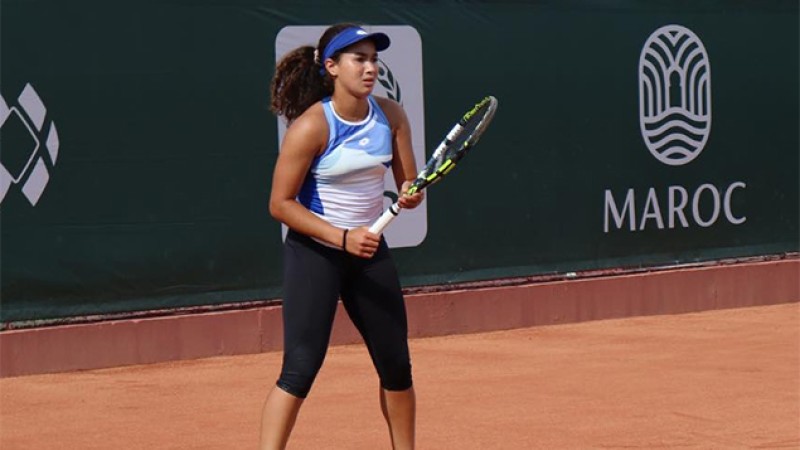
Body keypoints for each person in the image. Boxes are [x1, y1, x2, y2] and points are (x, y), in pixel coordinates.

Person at [261, 23, 424, 450]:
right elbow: (280, 204)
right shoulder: (312, 127)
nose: (370, 68)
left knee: (396, 366)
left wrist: (410, 194)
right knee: (300, 368)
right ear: (332, 67)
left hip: (369, 252)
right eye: (360, 59)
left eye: (374, 59)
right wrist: (342, 237)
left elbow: (409, 186)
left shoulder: (391, 116)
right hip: (315, 254)